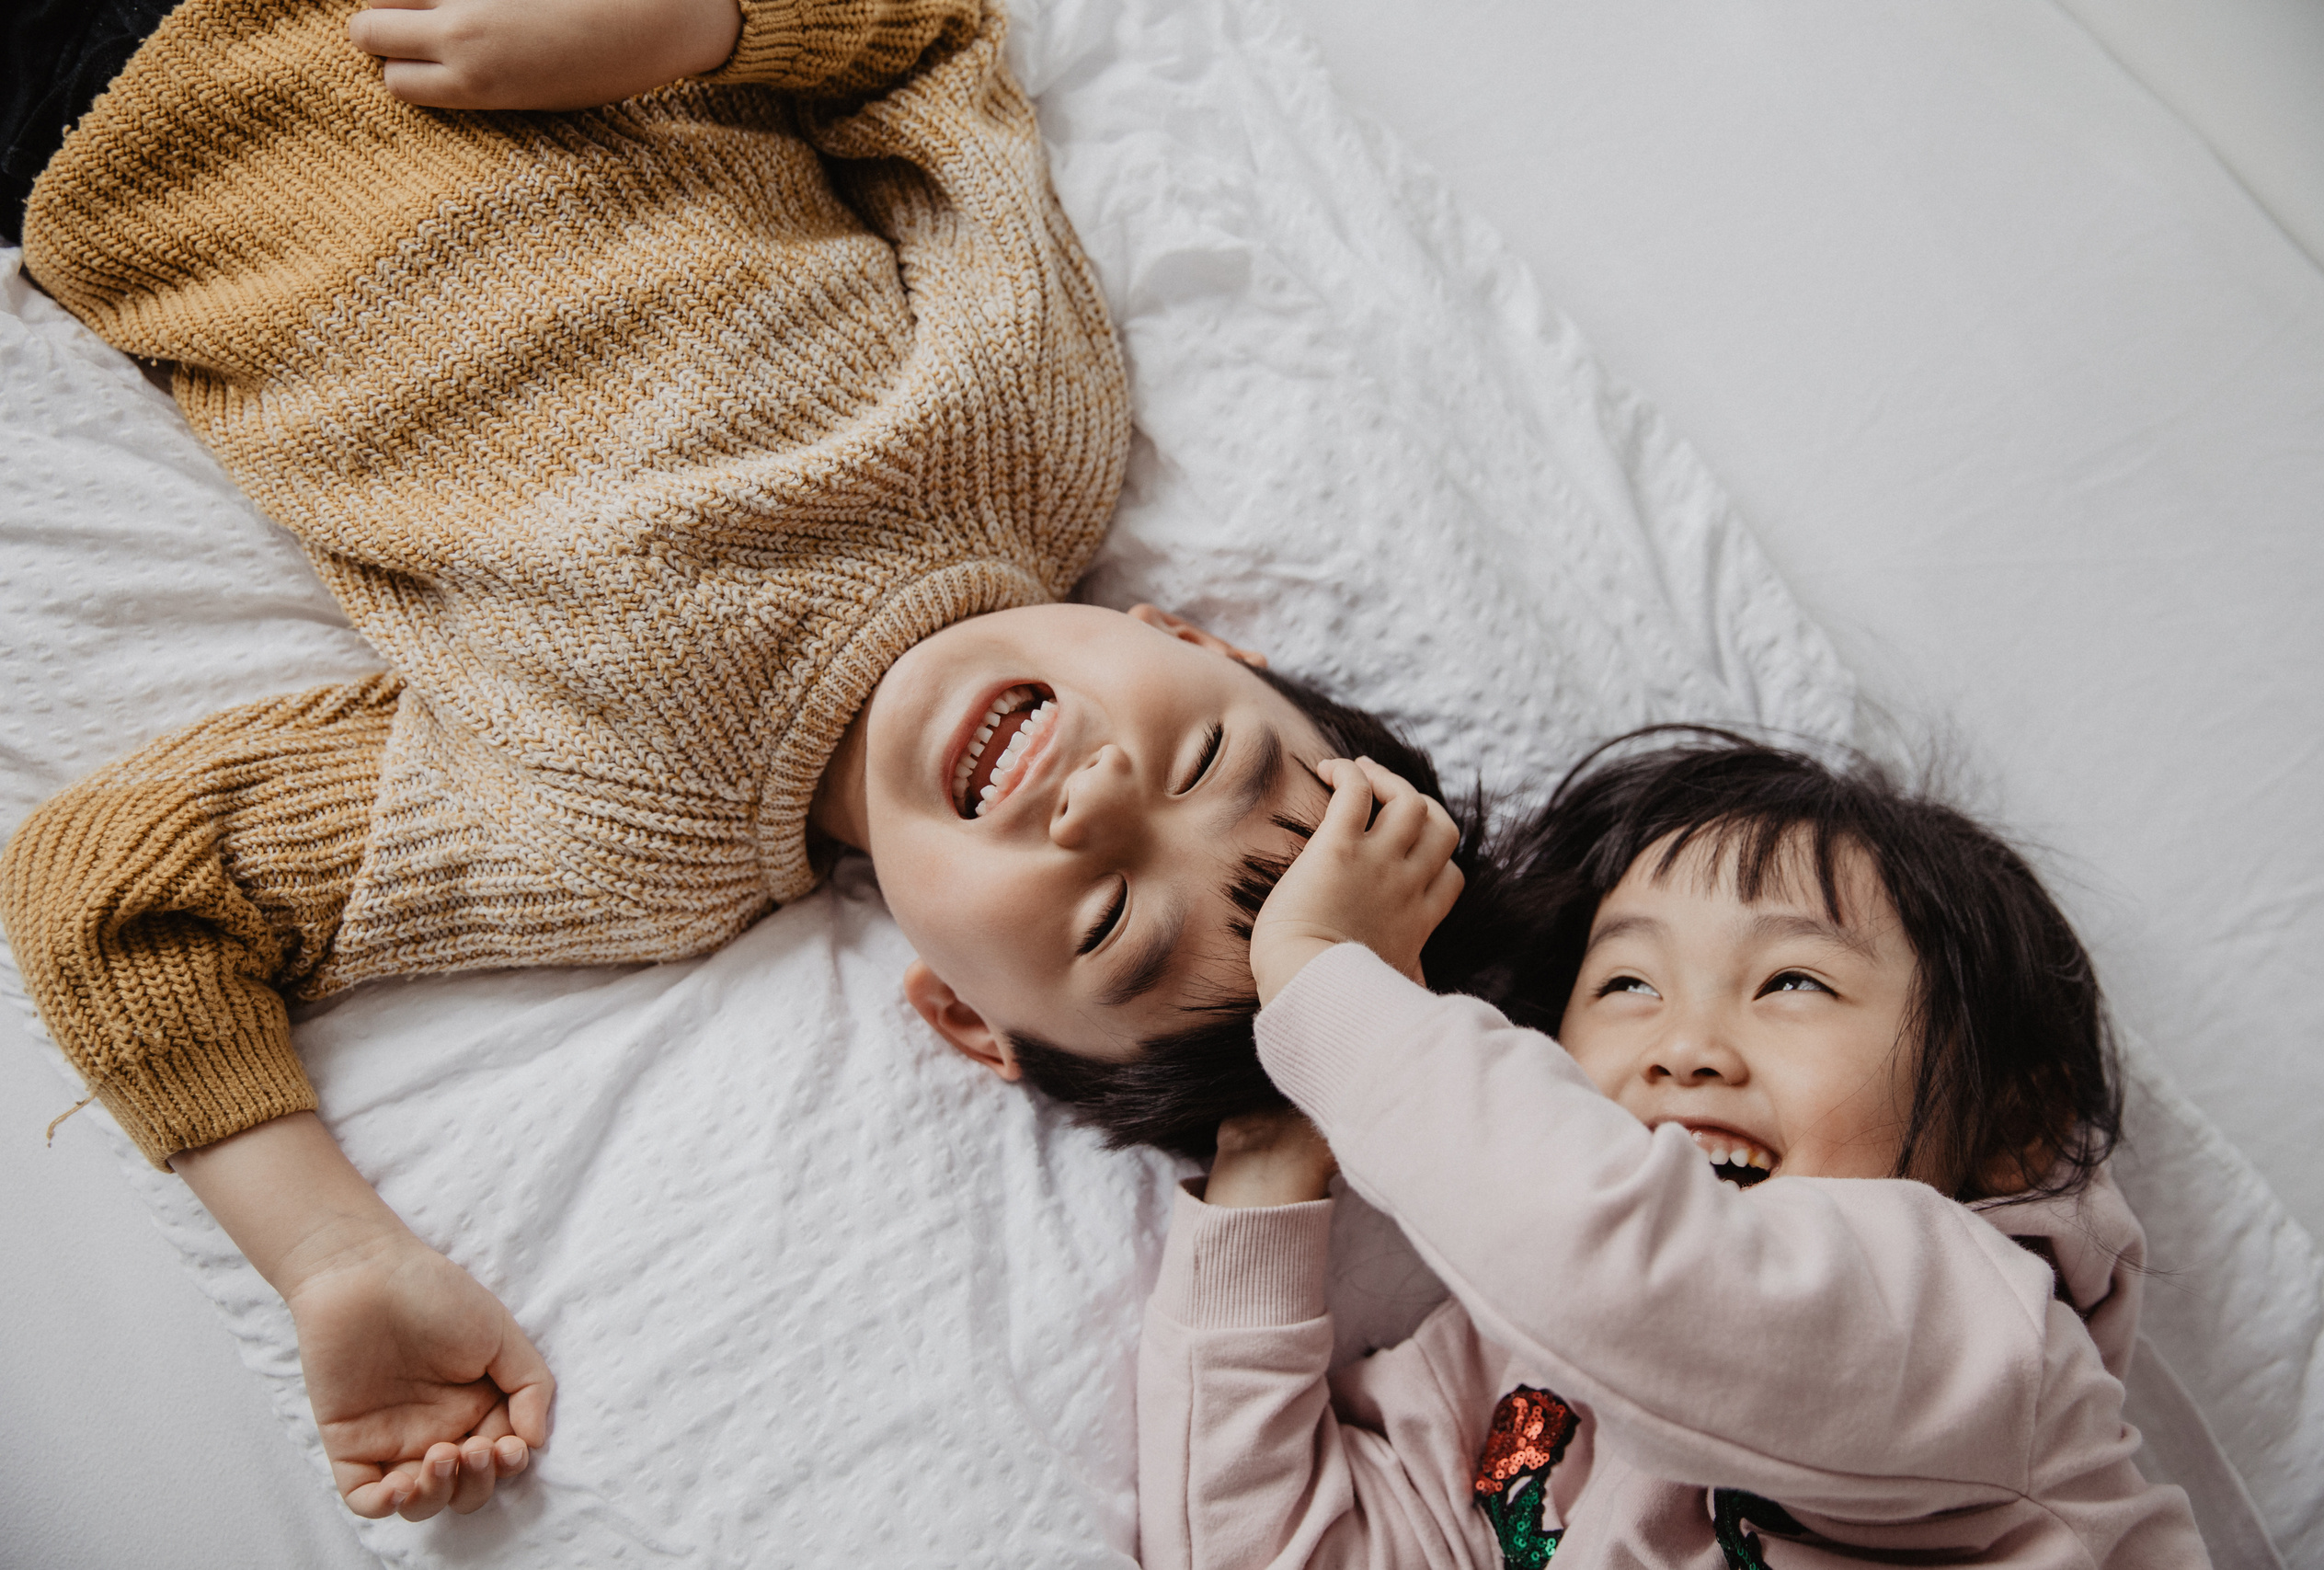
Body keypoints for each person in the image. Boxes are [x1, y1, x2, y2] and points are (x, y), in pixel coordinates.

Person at [0, 0, 1501, 1523]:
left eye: (1111, 923)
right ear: (1200, 639)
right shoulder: (1033, 436)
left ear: (965, 1019)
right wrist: (687, 34)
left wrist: (331, 1257)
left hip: (103, 118)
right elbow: (926, 52)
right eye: (1211, 759)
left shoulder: (625, 836)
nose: (1100, 800)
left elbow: (118, 889)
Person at [1140, 732, 2209, 1567]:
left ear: (2009, 1133)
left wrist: (1329, 988)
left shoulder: (1975, 1329)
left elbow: (1635, 1272)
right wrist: (1267, 1185)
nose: (1684, 1049)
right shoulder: (1493, 1391)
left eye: (1793, 982)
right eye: (1625, 987)